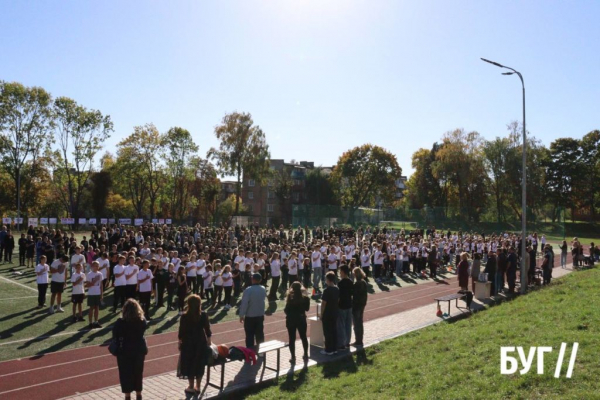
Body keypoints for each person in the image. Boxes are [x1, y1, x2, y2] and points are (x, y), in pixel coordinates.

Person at [177, 294, 212, 397]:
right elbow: (208, 330)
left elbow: (181, 332)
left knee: (189, 364)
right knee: (199, 364)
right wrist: (209, 342)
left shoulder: (184, 316)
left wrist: (180, 342)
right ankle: (198, 386)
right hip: (200, 342)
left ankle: (191, 386)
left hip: (188, 343)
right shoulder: (203, 315)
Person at [114, 299, 148, 400]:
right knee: (138, 373)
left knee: (125, 374)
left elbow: (115, 334)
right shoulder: (142, 321)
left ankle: (127, 396)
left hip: (124, 351)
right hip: (138, 350)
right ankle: (138, 394)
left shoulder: (120, 323)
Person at [239, 273, 266, 350]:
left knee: (249, 335)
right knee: (260, 334)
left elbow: (244, 303)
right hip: (260, 315)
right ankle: (261, 351)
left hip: (250, 316)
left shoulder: (248, 290)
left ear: (253, 279)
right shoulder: (263, 288)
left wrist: (241, 315)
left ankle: (250, 352)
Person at [284, 282, 310, 363]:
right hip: (301, 319)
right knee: (303, 337)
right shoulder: (305, 298)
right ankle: (305, 354)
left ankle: (293, 357)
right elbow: (307, 309)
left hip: (291, 320)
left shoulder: (290, 297)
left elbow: (286, 310)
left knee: (291, 339)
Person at [320, 271, 339, 356]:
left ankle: (328, 349)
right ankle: (334, 348)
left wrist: (321, 314)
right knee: (334, 330)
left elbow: (323, 304)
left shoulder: (326, 290)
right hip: (334, 312)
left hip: (327, 314)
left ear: (328, 280)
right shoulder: (337, 289)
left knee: (327, 332)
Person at [337, 265, 353, 350]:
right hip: (349, 305)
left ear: (343, 272)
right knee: (348, 325)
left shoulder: (340, 283)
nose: (339, 273)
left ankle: (342, 343)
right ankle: (347, 342)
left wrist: (336, 305)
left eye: (340, 271)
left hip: (342, 306)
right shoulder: (350, 282)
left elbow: (339, 296)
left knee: (341, 325)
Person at [351, 267, 368, 347]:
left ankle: (358, 340)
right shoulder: (364, 282)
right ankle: (360, 339)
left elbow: (354, 294)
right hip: (362, 304)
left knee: (356, 323)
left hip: (357, 305)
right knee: (360, 322)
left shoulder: (357, 284)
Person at [86, 261, 104, 328]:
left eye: (97, 266)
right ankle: (90, 322)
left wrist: (101, 294)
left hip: (98, 293)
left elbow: (101, 285)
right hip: (91, 294)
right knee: (91, 308)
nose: (96, 267)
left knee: (97, 308)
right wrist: (95, 280)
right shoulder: (89, 274)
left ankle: (96, 321)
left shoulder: (100, 274)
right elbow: (87, 285)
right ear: (92, 266)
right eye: (95, 266)